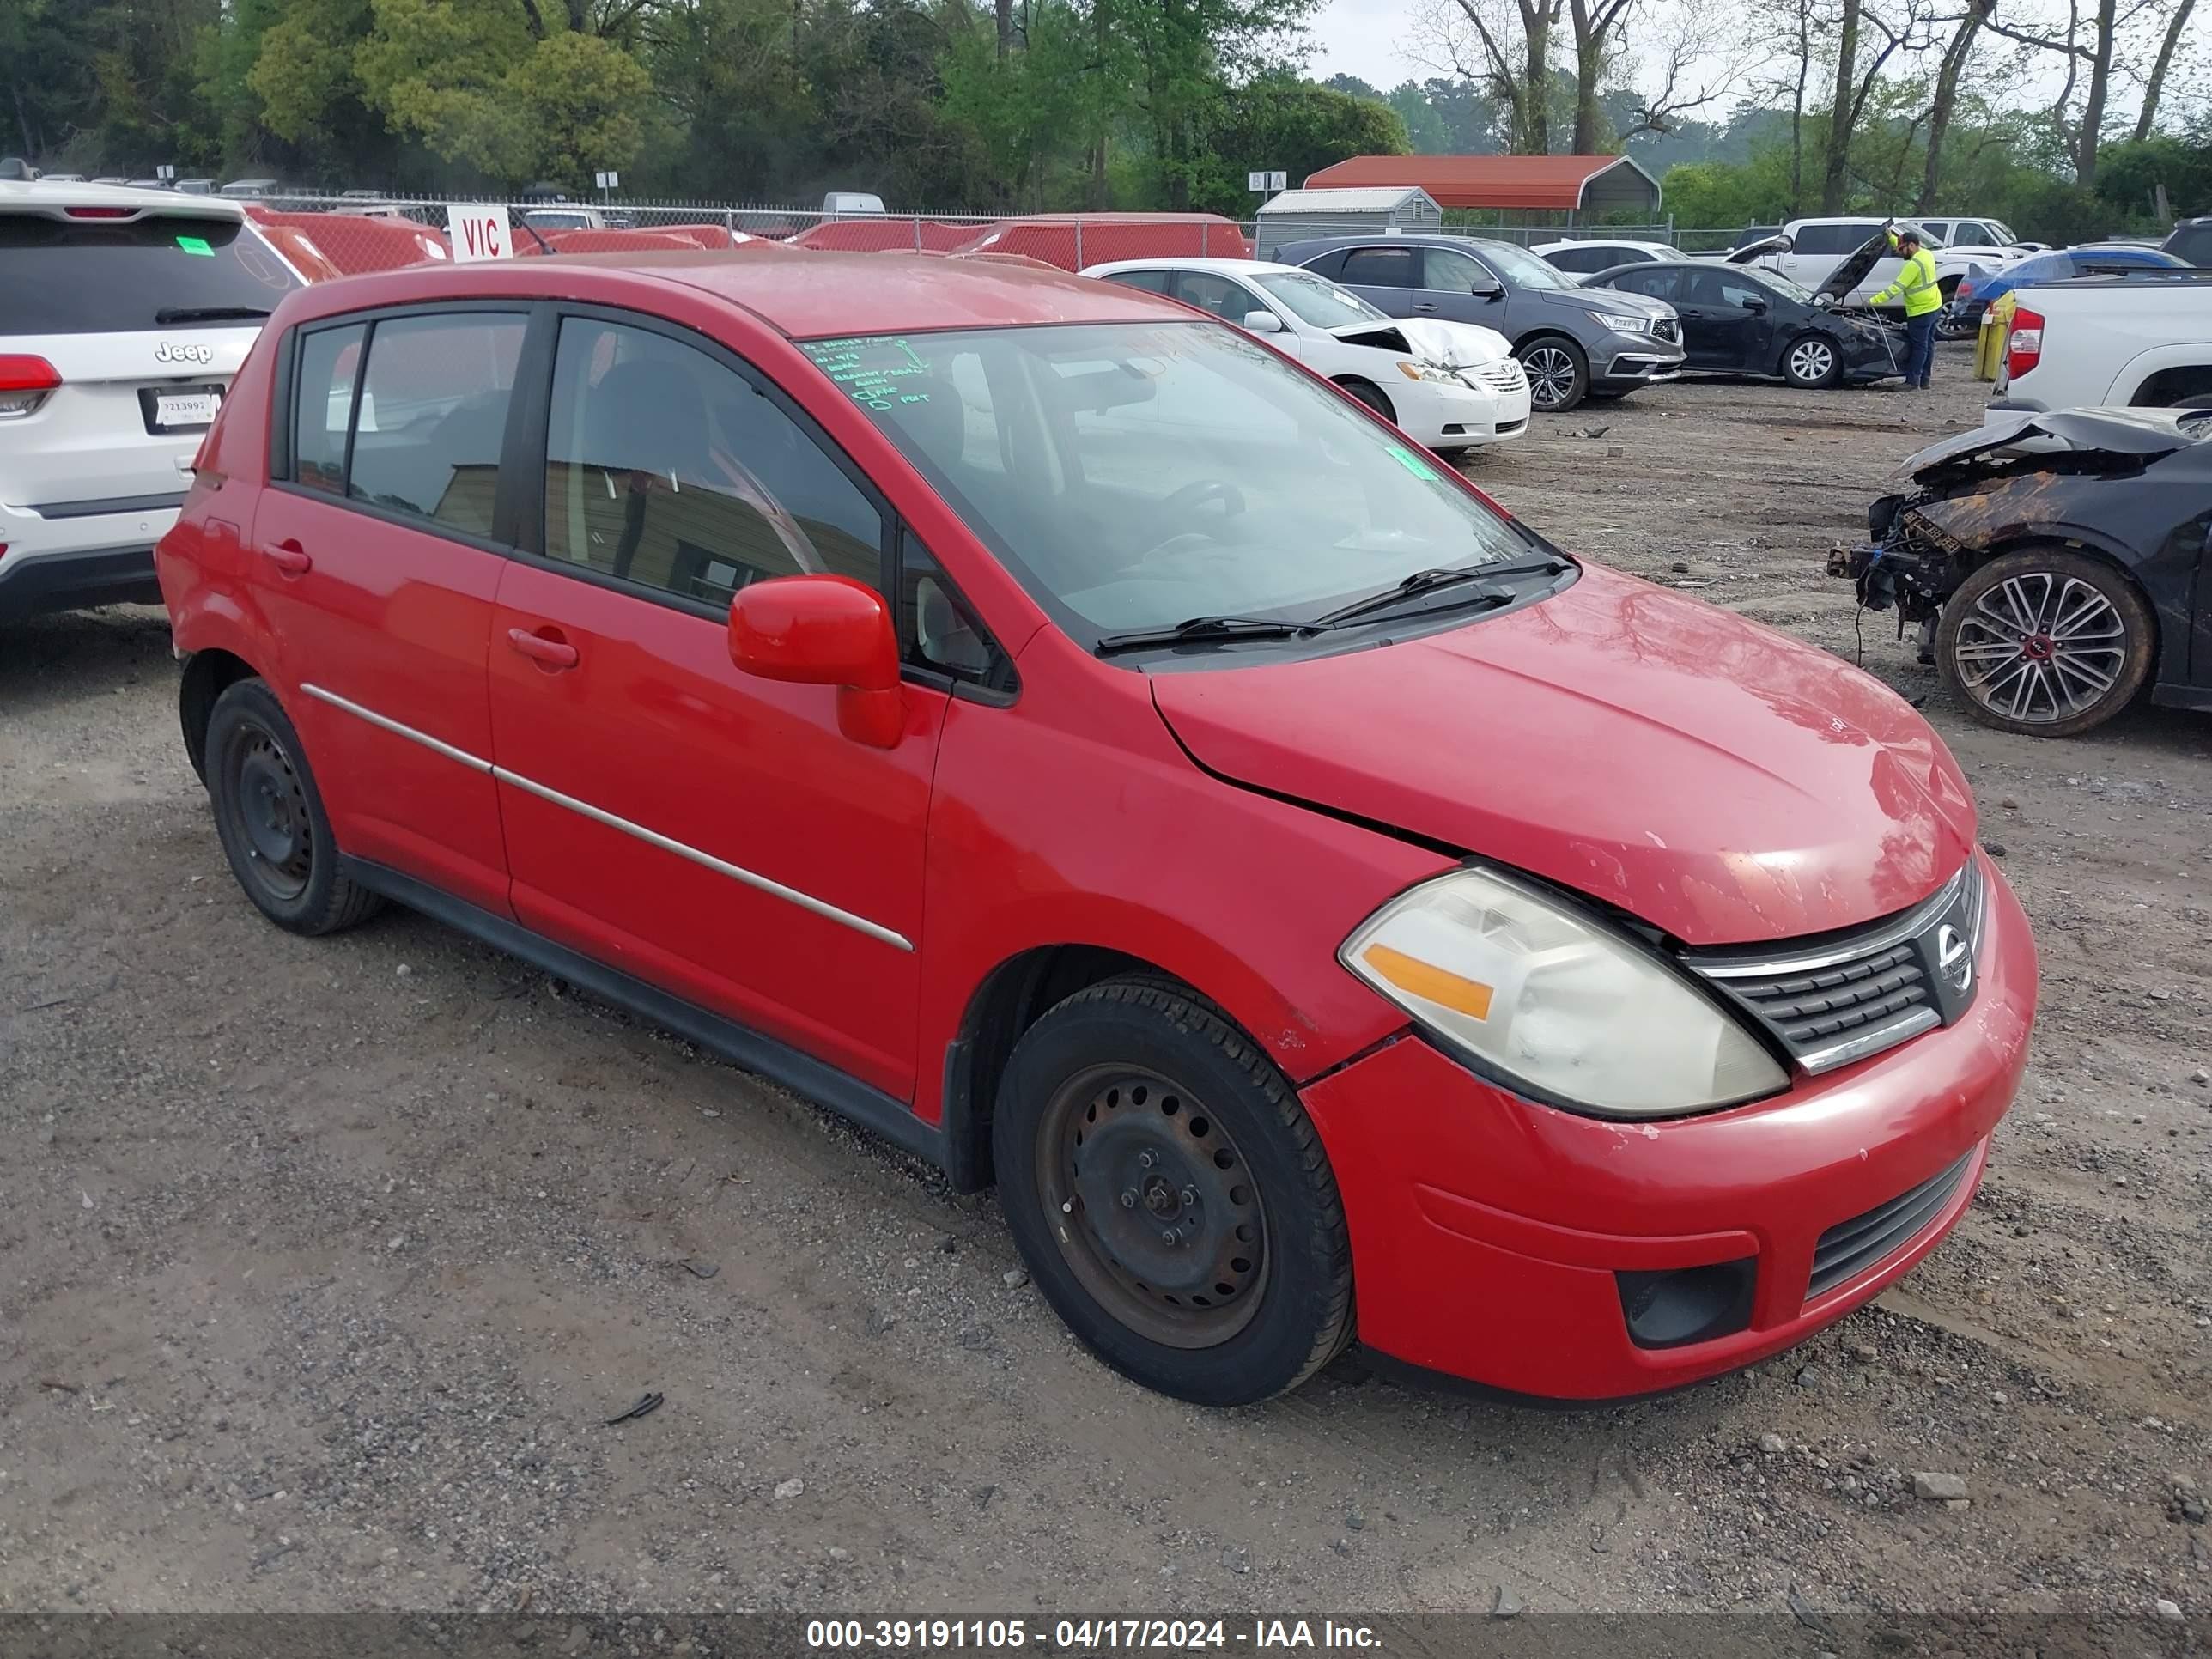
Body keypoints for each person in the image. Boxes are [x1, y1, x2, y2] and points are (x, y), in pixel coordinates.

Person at [1869, 224, 1942, 391]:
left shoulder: (1913, 265)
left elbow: (1896, 288)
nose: (1899, 252)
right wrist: (1890, 236)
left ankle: (1912, 381)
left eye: (1902, 249)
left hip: (1920, 311)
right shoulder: (1927, 254)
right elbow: (1900, 242)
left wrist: (1873, 301)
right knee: (1928, 344)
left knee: (1919, 347)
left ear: (1912, 246)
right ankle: (1925, 379)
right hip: (1935, 306)